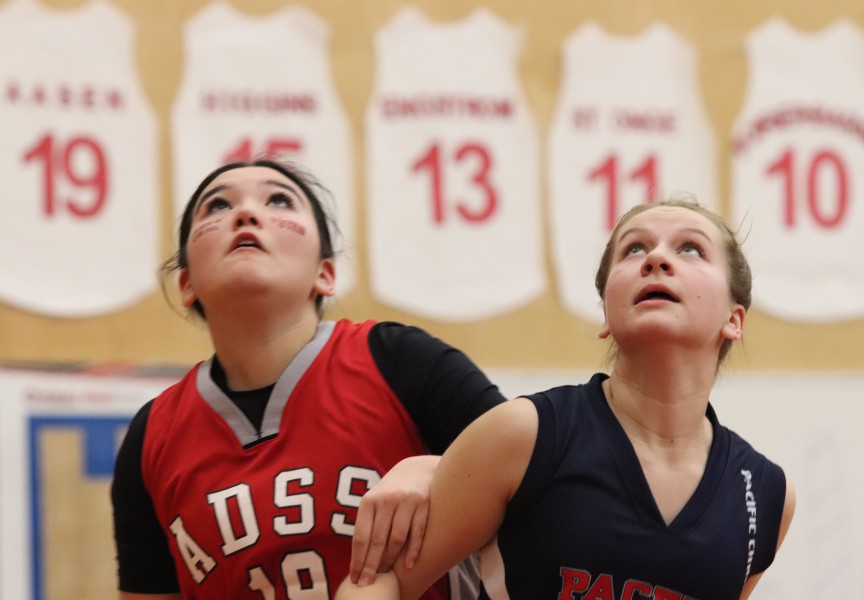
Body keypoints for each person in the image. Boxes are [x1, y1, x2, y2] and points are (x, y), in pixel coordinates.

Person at [337, 198, 796, 600]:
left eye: (690, 248)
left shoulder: (769, 496)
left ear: (734, 319)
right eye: (633, 248)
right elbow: (378, 581)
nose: (655, 257)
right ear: (606, 315)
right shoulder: (524, 433)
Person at [110, 158, 505, 599]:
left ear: (325, 274)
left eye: (278, 200)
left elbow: (540, 482)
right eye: (217, 207)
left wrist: (434, 470)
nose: (246, 214)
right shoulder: (152, 436)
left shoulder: (400, 359)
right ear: (187, 285)